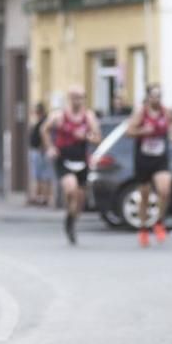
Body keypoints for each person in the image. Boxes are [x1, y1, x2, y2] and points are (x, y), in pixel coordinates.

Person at [40, 86, 101, 244]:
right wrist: (50, 147)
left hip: (81, 160)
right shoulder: (59, 116)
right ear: (69, 98)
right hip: (64, 159)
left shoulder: (88, 116)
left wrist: (87, 136)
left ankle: (71, 220)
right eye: (74, 97)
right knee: (71, 188)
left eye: (80, 97)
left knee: (79, 200)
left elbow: (97, 138)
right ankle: (70, 214)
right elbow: (44, 130)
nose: (77, 100)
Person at [126, 83, 172, 246]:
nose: (157, 99)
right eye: (153, 95)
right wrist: (142, 131)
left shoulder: (166, 112)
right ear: (148, 97)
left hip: (160, 157)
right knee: (145, 195)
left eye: (159, 95)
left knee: (165, 190)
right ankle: (143, 229)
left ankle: (159, 222)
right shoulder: (141, 113)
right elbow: (129, 132)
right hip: (143, 158)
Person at [27, 102, 53, 207]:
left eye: (36, 111)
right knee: (37, 175)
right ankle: (39, 196)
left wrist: (43, 149)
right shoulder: (37, 121)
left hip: (41, 151)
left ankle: (44, 197)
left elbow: (44, 136)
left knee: (44, 175)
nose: (34, 113)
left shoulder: (44, 121)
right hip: (36, 150)